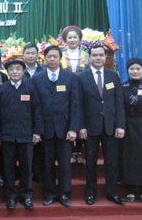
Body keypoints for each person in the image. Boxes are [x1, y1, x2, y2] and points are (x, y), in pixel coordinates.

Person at [32, 46, 80, 207]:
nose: (52, 60)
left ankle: (65, 193)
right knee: (47, 163)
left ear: (60, 59)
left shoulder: (70, 77)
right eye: (49, 57)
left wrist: (73, 128)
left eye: (55, 57)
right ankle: (50, 193)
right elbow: (36, 107)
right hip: (45, 129)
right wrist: (37, 131)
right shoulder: (37, 78)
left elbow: (75, 104)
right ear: (44, 59)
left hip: (65, 129)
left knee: (65, 164)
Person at [78, 45, 125, 206]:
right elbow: (78, 105)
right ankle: (91, 193)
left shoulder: (113, 76)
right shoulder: (81, 77)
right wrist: (81, 126)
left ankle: (112, 193)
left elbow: (119, 103)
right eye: (95, 55)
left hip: (111, 127)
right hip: (90, 127)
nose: (98, 58)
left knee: (111, 161)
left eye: (101, 55)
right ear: (89, 57)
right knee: (90, 162)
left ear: (105, 57)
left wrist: (120, 125)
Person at [0, 59, 43, 210]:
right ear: (7, 72)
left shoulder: (30, 88)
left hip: (26, 135)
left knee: (26, 167)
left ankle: (26, 195)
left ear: (23, 72)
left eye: (18, 69)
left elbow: (37, 111)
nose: (15, 71)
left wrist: (37, 132)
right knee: (8, 168)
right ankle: (10, 196)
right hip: (7, 136)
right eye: (11, 69)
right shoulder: (1, 89)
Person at [61, 25, 89, 165]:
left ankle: (80, 151)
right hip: (65, 91)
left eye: (75, 37)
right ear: (65, 40)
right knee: (70, 118)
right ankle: (71, 152)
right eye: (69, 37)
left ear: (79, 39)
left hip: (84, 90)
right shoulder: (60, 55)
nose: (72, 40)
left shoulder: (87, 55)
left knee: (82, 117)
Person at [121, 58, 142, 202]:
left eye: (138, 69)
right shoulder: (123, 86)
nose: (135, 71)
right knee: (130, 156)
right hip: (128, 125)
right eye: (132, 69)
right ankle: (131, 189)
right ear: (127, 70)